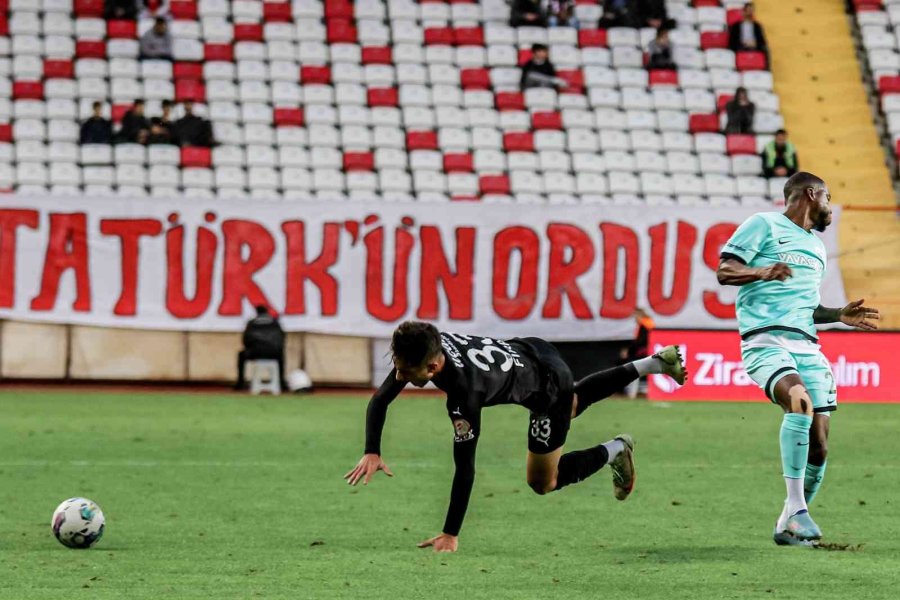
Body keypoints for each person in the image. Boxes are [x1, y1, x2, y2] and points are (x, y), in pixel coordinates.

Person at [345, 321, 687, 553]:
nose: (399, 375)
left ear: (433, 367)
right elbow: (380, 398)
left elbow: (465, 468)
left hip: (545, 387)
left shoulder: (464, 393)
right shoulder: (428, 342)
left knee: (543, 481)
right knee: (574, 402)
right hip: (533, 350)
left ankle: (617, 449)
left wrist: (451, 532)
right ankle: (655, 363)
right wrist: (371, 450)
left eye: (405, 371)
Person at [717, 172, 880, 546]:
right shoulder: (763, 224)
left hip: (807, 343)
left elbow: (808, 308)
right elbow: (725, 270)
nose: (830, 208)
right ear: (812, 194)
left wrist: (837, 314)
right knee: (799, 402)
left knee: (820, 442)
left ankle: (785, 522)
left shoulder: (817, 247)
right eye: (828, 197)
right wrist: (761, 270)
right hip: (766, 339)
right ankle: (798, 510)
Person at [236, 305, 287, 391]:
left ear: (257, 312)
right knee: (281, 355)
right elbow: (282, 338)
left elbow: (245, 340)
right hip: (274, 353)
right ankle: (281, 382)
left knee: (241, 355)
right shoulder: (275, 322)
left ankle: (240, 383)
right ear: (267, 312)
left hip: (255, 352)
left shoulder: (251, 323)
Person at [620, 308, 656, 398]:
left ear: (639, 315)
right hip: (649, 352)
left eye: (635, 316)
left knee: (633, 370)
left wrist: (629, 350)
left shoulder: (644, 326)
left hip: (644, 353)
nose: (634, 319)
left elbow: (640, 342)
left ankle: (632, 393)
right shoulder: (648, 324)